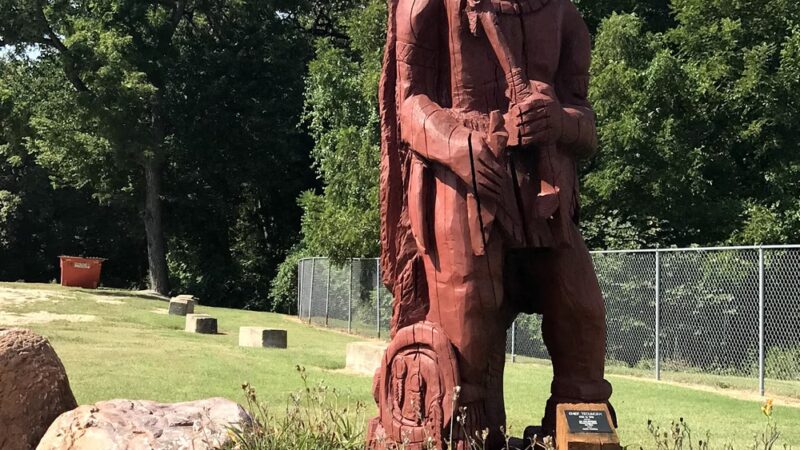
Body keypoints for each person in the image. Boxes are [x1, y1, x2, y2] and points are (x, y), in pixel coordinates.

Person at [377, 0, 613, 446]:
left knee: (581, 310)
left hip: (543, 193)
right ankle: (462, 430)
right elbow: (407, 104)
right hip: (462, 182)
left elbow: (586, 122)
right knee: (469, 313)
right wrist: (457, 142)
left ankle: (580, 432)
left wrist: (559, 121)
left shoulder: (563, 14)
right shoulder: (426, 5)